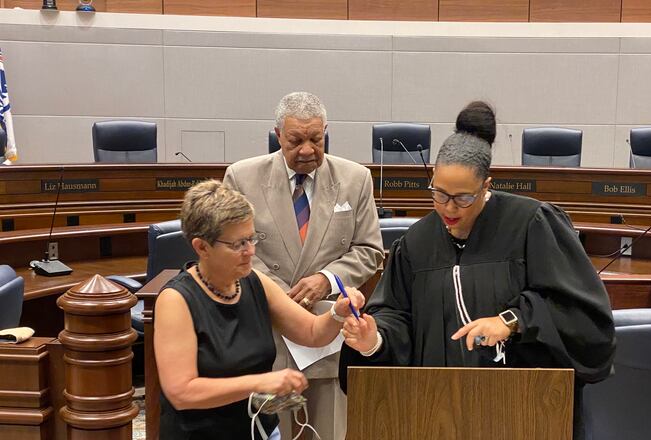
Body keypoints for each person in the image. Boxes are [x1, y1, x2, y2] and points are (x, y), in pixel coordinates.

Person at [340, 102, 615, 439]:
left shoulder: (531, 225)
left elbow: (582, 314)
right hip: (436, 410)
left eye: (463, 198)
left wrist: (511, 320)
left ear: (487, 185)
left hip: (523, 409)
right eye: (438, 194)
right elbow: (397, 315)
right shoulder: (417, 243)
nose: (448, 208)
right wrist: (374, 339)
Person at [224, 91, 384, 439]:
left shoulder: (356, 179)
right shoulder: (241, 178)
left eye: (316, 139)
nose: (307, 150)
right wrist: (279, 296)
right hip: (268, 330)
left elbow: (370, 250)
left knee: (327, 430)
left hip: (328, 329)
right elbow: (233, 250)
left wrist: (326, 279)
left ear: (326, 131)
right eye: (295, 140)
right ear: (278, 134)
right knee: (269, 431)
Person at [154, 180, 365, 439]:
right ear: (202, 247)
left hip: (259, 430)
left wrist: (337, 313)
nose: (250, 251)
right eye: (238, 244)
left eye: (251, 239)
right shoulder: (176, 300)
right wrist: (259, 383)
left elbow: (311, 332)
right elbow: (182, 393)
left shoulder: (253, 281)